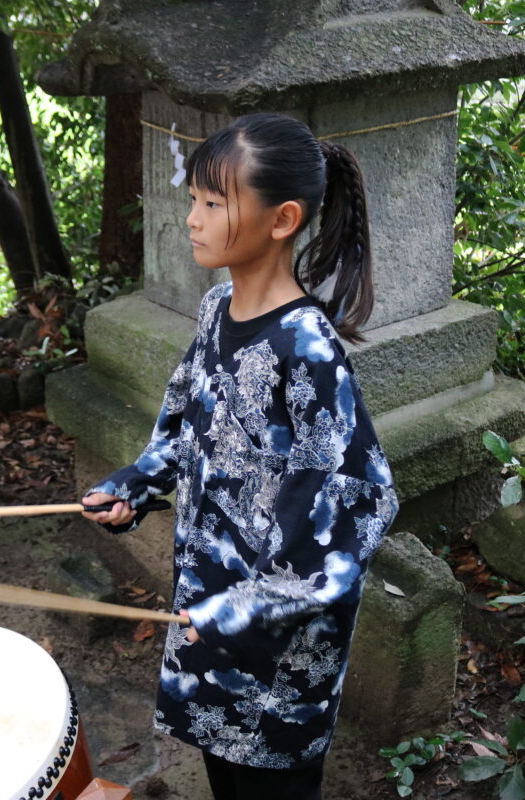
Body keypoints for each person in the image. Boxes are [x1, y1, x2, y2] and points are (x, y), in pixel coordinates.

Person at [81, 112, 399, 799]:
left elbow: (353, 510)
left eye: (214, 203)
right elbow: (185, 421)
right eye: (194, 198)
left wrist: (240, 610)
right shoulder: (218, 307)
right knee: (226, 777)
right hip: (213, 609)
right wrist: (137, 484)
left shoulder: (308, 351)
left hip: (278, 647)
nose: (192, 217)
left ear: (282, 219)